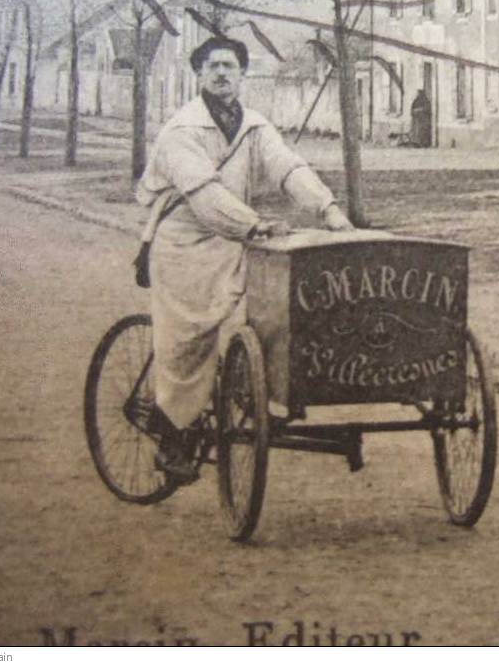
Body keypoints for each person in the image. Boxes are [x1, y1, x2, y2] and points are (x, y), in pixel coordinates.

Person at [135, 36, 353, 483]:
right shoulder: (181, 131)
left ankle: (249, 388)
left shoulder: (253, 126)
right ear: (198, 75)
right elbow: (204, 195)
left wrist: (329, 210)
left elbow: (288, 167)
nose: (221, 73)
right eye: (212, 66)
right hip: (185, 243)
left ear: (241, 74)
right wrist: (253, 224)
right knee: (188, 338)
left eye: (230, 66)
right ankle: (171, 432)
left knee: (271, 310)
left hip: (235, 236)